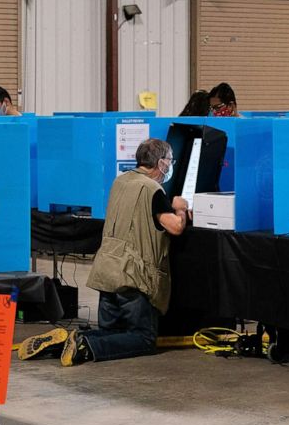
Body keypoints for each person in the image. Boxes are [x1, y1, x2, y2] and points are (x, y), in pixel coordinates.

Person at [17, 139, 190, 366]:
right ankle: (88, 346)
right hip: (133, 277)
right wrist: (181, 208)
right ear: (161, 163)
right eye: (170, 161)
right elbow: (175, 227)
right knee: (144, 339)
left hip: (107, 270)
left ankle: (68, 341)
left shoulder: (120, 181)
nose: (171, 165)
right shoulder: (152, 190)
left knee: (114, 332)